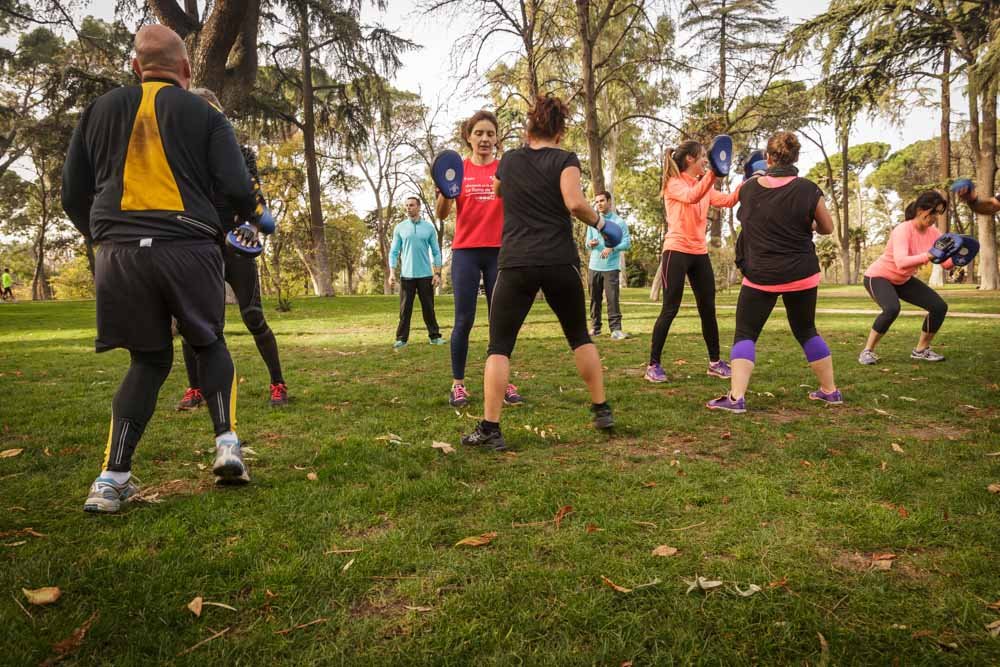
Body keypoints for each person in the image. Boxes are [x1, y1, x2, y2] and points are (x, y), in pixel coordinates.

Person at [62, 25, 258, 513]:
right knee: (208, 341)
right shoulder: (205, 113)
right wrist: (230, 224)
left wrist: (104, 238)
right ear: (186, 71)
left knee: (148, 360)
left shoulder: (98, 110)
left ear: (135, 67)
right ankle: (227, 444)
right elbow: (237, 187)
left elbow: (71, 195)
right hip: (188, 245)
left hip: (119, 255)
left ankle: (110, 480)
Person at [460, 95, 614, 452]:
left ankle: (490, 428)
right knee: (579, 336)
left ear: (529, 128)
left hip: (516, 263)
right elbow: (574, 202)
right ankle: (601, 408)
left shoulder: (510, 160)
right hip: (559, 260)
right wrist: (603, 223)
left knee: (499, 346)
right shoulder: (565, 159)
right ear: (559, 132)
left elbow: (499, 190)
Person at [706, 131, 841, 414]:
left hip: (761, 276)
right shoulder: (808, 188)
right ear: (796, 158)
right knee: (806, 330)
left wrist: (705, 179)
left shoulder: (749, 188)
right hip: (801, 273)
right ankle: (829, 392)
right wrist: (810, 225)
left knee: (746, 333)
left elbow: (725, 202)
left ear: (768, 158)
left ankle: (736, 398)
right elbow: (827, 227)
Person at [176, 87, 288, 411]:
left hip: (236, 244)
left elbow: (257, 203)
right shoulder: (184, 158)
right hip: (199, 246)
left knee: (253, 316)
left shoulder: (241, 153)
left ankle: (278, 383)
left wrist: (252, 228)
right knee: (192, 322)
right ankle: (196, 388)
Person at [435, 110, 523, 408]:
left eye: (490, 133)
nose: (485, 139)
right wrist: (447, 192)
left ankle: (503, 380)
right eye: (479, 133)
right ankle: (458, 384)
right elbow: (442, 214)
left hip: (499, 252)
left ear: (496, 138)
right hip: (466, 253)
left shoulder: (506, 168)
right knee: (464, 320)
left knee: (500, 320)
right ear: (468, 137)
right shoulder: (456, 169)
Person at [645, 140, 741, 384]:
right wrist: (713, 174)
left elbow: (729, 200)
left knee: (708, 309)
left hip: (699, 253)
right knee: (670, 308)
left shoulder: (703, 186)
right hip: (676, 251)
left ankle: (715, 362)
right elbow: (691, 196)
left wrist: (750, 180)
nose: (706, 163)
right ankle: (653, 365)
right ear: (690, 159)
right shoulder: (674, 184)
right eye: (702, 159)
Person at [859, 191, 953, 364]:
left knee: (939, 307)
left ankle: (921, 350)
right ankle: (867, 351)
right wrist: (930, 255)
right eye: (932, 212)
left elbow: (946, 263)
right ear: (920, 210)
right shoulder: (903, 230)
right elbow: (901, 262)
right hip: (879, 276)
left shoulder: (934, 232)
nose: (934, 217)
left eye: (938, 213)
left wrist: (956, 257)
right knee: (891, 308)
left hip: (903, 279)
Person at [389, 196, 445, 348]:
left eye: (412, 205)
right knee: (405, 311)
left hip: (426, 276)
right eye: (406, 205)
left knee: (429, 309)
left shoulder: (428, 228)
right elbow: (393, 252)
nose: (408, 208)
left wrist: (437, 273)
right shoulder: (400, 228)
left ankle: (434, 336)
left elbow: (436, 252)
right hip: (406, 276)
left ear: (419, 207)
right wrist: (392, 272)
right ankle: (401, 339)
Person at [585, 191, 631, 339]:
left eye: (602, 201)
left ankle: (616, 329)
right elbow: (587, 243)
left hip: (610, 268)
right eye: (597, 201)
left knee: (612, 299)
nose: (599, 204)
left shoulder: (619, 222)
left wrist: (612, 248)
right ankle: (595, 328)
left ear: (609, 202)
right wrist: (591, 244)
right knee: (594, 299)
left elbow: (626, 243)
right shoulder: (592, 222)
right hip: (594, 266)